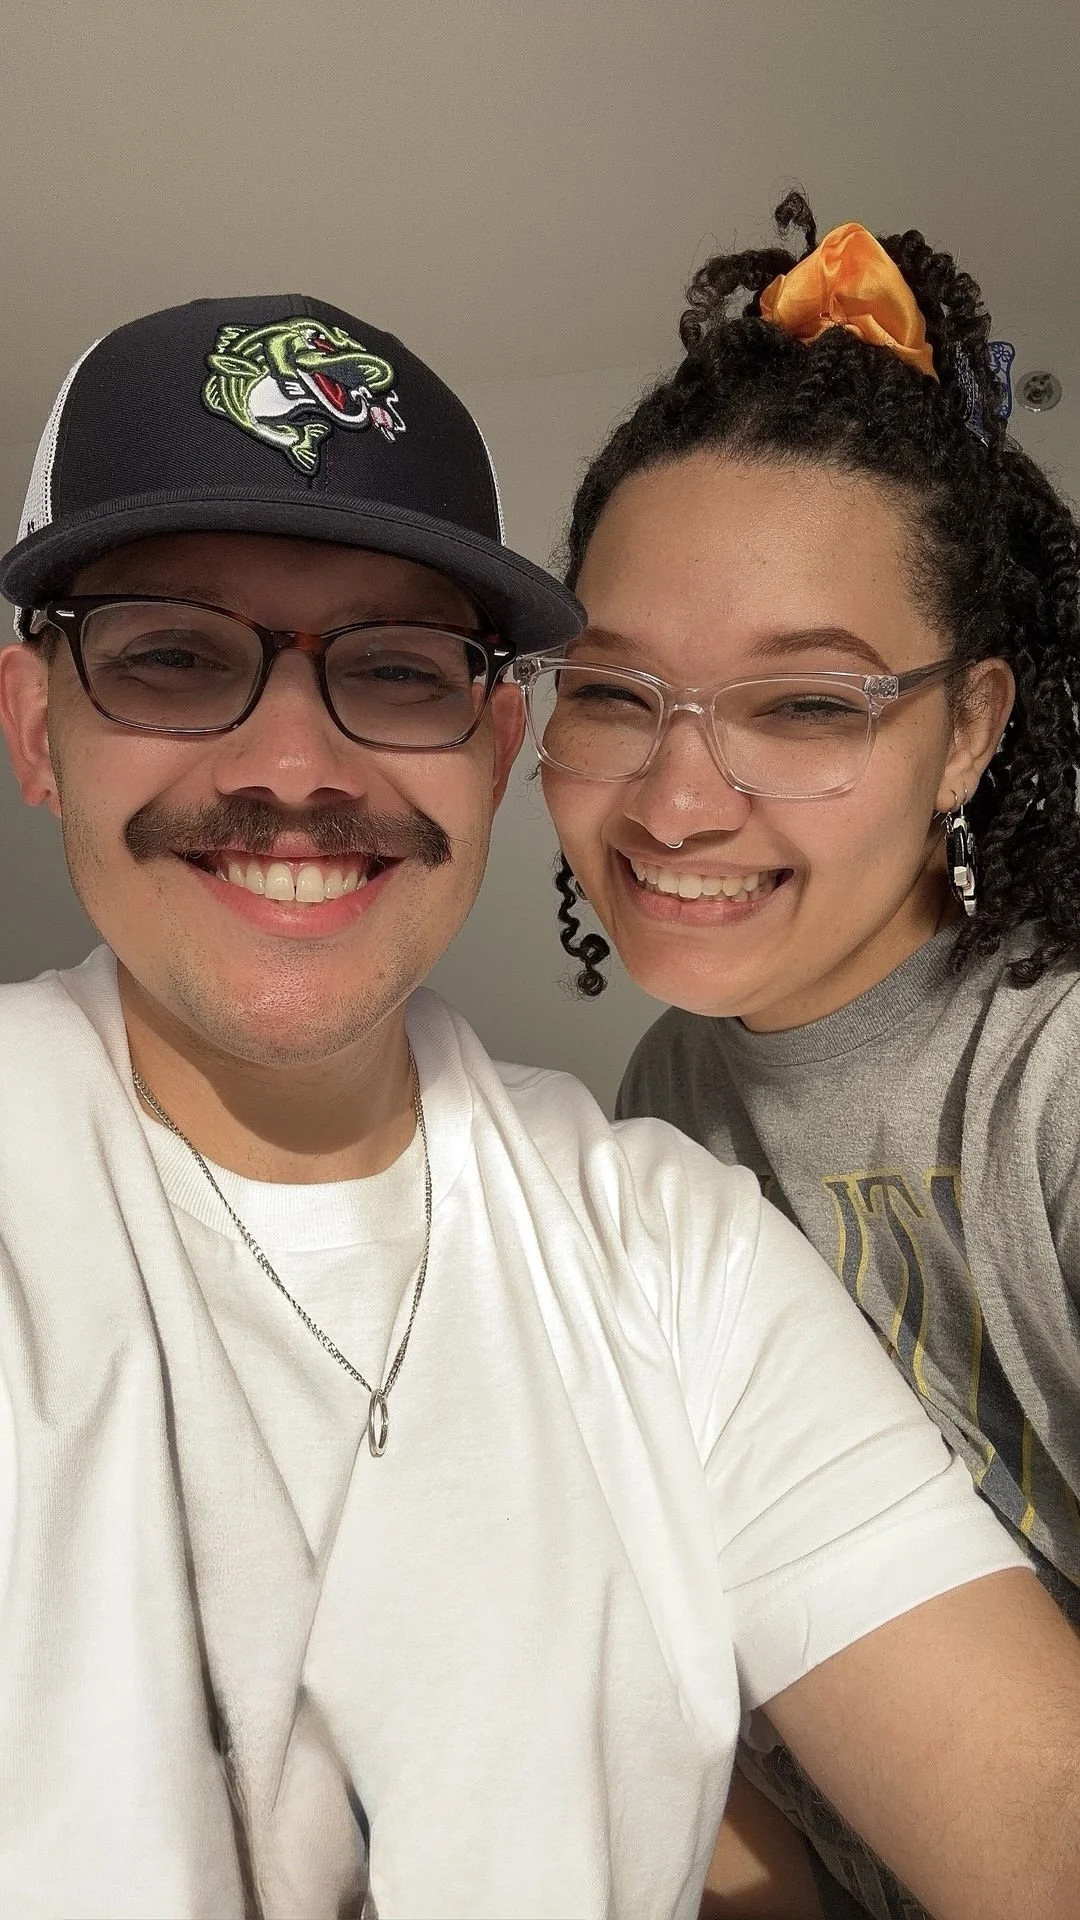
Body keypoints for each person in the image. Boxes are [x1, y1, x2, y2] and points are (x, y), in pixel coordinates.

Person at [0, 300, 1077, 1920]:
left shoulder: (674, 1229)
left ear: (493, 742)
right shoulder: (688, 1099)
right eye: (171, 654)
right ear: (35, 726)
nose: (292, 764)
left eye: (394, 669)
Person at [529, 194, 1080, 1919]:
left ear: (965, 730)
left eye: (806, 704)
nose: (680, 801)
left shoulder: (1052, 1085)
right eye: (613, 693)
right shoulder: (668, 1103)